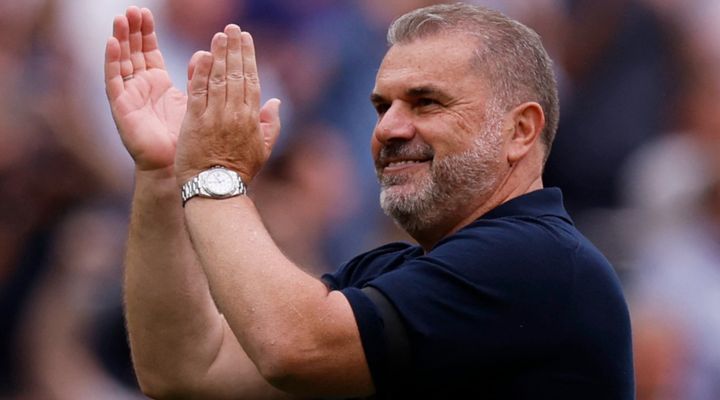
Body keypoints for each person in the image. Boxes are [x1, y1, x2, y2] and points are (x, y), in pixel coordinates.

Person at [104, 3, 634, 399]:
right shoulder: (393, 271)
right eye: (383, 106)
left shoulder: (538, 260)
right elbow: (186, 371)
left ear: (520, 130)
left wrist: (214, 170)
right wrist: (164, 173)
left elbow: (293, 346)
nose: (388, 129)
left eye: (426, 102)